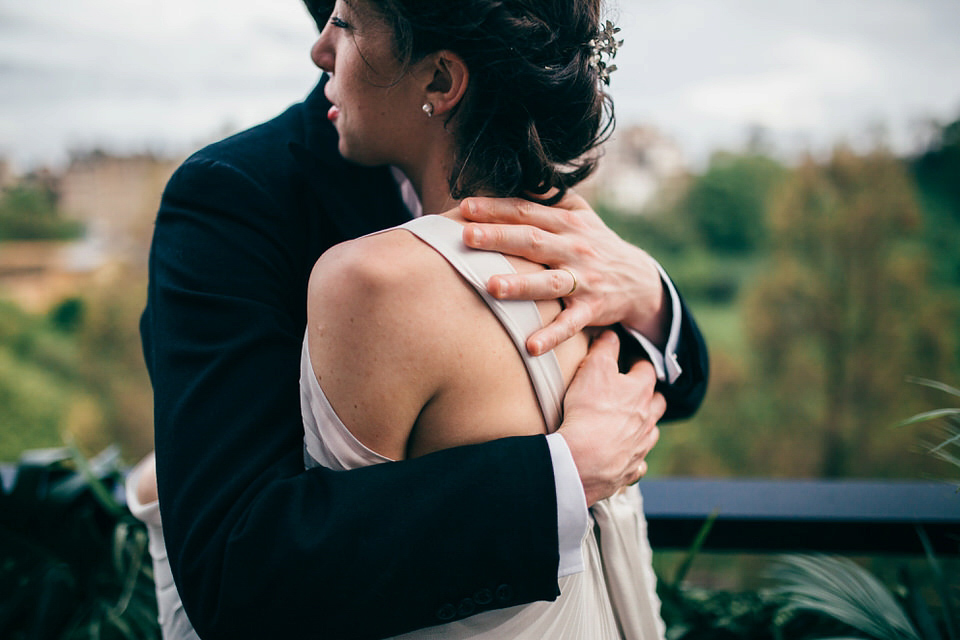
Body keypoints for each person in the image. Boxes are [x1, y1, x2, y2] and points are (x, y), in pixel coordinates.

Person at [137, 1, 709, 639]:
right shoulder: (235, 196)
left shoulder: (541, 194)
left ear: (441, 80)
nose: (320, 48)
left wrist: (646, 292)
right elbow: (235, 567)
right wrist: (560, 477)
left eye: (345, 21)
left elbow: (654, 392)